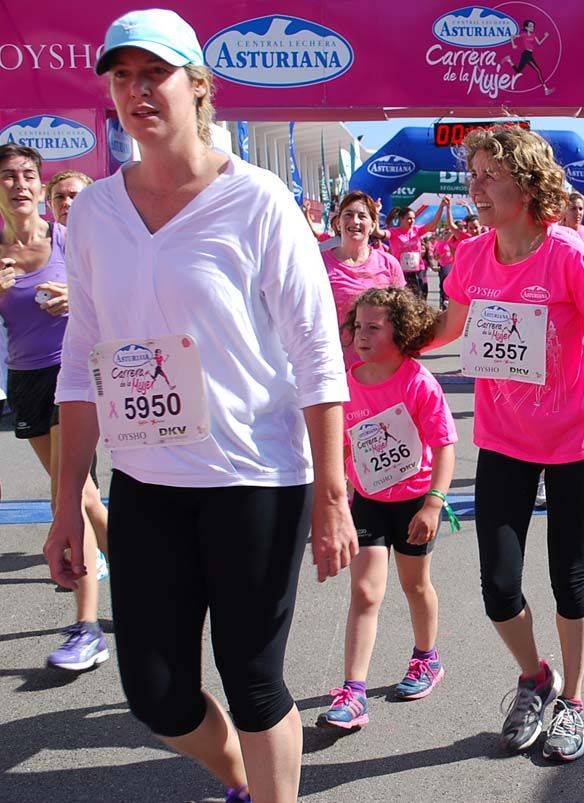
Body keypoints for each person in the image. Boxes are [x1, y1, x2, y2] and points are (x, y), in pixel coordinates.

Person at [44, 11, 356, 803]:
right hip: (147, 481)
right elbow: (82, 361)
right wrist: (65, 508)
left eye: (156, 74)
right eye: (122, 77)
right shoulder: (93, 213)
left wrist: (331, 491)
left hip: (256, 478)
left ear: (199, 87)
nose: (138, 90)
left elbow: (318, 352)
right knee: (155, 692)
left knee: (254, 680)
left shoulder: (257, 201)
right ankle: (250, 783)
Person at [422, 125, 584, 762]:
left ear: (525, 184)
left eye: (489, 176)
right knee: (498, 584)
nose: (476, 188)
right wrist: (387, 342)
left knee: (569, 578)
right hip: (503, 442)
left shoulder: (568, 254)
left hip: (577, 440)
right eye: (473, 176)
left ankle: (572, 700)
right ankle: (534, 677)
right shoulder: (470, 257)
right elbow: (449, 327)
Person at [318, 286, 458, 730]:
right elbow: (340, 444)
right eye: (358, 326)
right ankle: (353, 692)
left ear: (402, 332)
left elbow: (444, 446)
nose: (361, 335)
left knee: (415, 586)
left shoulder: (418, 382)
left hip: (415, 503)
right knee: (365, 592)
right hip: (370, 502)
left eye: (374, 327)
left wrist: (434, 504)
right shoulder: (346, 381)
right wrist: (335, 496)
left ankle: (426, 658)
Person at [0, 144, 110, 672]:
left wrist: (78, 296)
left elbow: (113, 295)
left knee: (67, 493)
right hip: (25, 380)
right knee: (85, 497)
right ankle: (146, 581)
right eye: (8, 176)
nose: (19, 184)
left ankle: (87, 628)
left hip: (76, 374)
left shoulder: (69, 238)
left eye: (27, 176)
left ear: (40, 188)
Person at [322, 192, 403, 367]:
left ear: (373, 224)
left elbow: (402, 317)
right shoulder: (318, 263)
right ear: (338, 222)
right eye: (348, 215)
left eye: (362, 216)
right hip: (333, 366)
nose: (355, 221)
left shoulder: (389, 263)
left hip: (379, 365)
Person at [386, 198, 449, 299]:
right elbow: (379, 233)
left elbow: (433, 223)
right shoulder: (394, 232)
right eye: (409, 218)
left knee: (420, 298)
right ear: (401, 219)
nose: (412, 221)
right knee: (402, 299)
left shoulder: (417, 230)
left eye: (414, 218)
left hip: (417, 272)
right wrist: (375, 214)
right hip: (401, 273)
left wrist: (441, 207)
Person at [504, 19, 553, 95]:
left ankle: (509, 60)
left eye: (533, 26)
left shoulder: (534, 35)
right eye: (530, 26)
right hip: (526, 54)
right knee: (538, 71)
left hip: (528, 54)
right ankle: (546, 89)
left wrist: (545, 37)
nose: (532, 27)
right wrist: (513, 44)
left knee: (518, 71)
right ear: (526, 27)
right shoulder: (524, 34)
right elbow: (512, 36)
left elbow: (539, 43)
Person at [559, 191, 584, 258]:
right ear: (565, 210)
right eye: (573, 209)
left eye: (580, 209)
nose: (578, 212)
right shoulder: (555, 233)